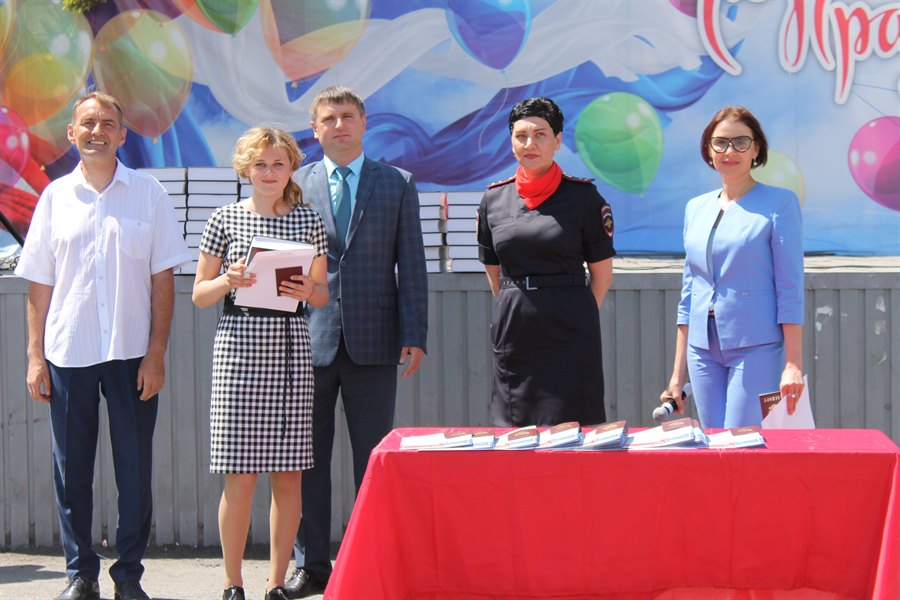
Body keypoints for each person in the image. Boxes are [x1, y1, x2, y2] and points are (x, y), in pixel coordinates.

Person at [15, 92, 191, 600]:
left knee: (134, 470)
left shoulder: (149, 194)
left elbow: (163, 280)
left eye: (108, 123)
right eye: (87, 123)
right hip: (68, 353)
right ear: (72, 133)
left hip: (132, 353)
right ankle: (81, 574)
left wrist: (156, 354)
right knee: (71, 470)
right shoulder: (54, 198)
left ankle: (128, 575)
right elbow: (39, 284)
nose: (97, 131)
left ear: (122, 134)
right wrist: (34, 357)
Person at [285, 86, 427, 598]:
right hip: (307, 339)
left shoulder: (397, 183)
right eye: (329, 118)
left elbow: (412, 263)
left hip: (376, 339)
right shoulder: (294, 184)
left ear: (364, 123)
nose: (339, 125)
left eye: (348, 116)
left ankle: (370, 560)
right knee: (307, 460)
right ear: (314, 128)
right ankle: (311, 565)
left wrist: (415, 333)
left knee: (372, 459)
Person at [191, 127, 329, 600]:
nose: (269, 173)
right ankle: (233, 583)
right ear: (245, 169)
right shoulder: (224, 218)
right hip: (238, 349)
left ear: (291, 168)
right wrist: (228, 280)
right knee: (240, 475)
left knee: (288, 475)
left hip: (289, 350)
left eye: (278, 164)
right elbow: (199, 295)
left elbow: (322, 293)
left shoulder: (308, 220)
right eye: (260, 164)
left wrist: (308, 290)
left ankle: (275, 584)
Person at [659, 106, 805, 428]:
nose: (730, 151)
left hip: (756, 347)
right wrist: (677, 376)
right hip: (701, 349)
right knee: (712, 443)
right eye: (721, 142)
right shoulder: (695, 207)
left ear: (756, 149)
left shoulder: (780, 203)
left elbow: (790, 287)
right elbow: (689, 293)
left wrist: (793, 364)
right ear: (708, 150)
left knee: (742, 442)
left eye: (741, 142)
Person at [476, 97, 615, 427]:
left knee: (574, 431)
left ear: (557, 140)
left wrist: (574, 312)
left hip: (570, 328)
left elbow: (602, 276)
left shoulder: (583, 198)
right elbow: (494, 273)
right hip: (515, 328)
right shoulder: (494, 199)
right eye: (521, 136)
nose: (530, 144)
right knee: (515, 431)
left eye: (540, 134)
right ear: (511, 142)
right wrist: (519, 304)